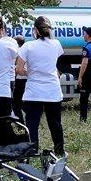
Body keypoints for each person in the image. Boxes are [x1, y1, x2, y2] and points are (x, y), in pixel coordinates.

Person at [17, 16, 65, 157]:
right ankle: (59, 150)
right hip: (53, 90)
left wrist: (30, 72)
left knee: (32, 123)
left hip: (34, 91)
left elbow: (19, 70)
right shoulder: (56, 44)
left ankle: (32, 150)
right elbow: (56, 65)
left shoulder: (28, 46)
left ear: (35, 30)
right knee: (55, 123)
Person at [12, 35, 27, 119]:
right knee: (22, 100)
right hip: (28, 78)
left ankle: (20, 123)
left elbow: (15, 66)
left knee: (16, 103)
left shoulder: (17, 51)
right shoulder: (27, 50)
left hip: (19, 79)